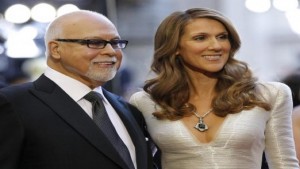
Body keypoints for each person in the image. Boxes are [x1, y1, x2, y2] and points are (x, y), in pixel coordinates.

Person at [129, 7, 299, 169]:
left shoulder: (270, 94)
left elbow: (284, 164)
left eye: (222, 37)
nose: (216, 46)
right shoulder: (146, 102)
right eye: (200, 38)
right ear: (175, 48)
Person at [0, 10, 154, 169]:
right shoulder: (14, 104)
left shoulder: (128, 109)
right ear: (55, 49)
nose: (110, 51)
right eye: (94, 42)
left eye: (115, 43)